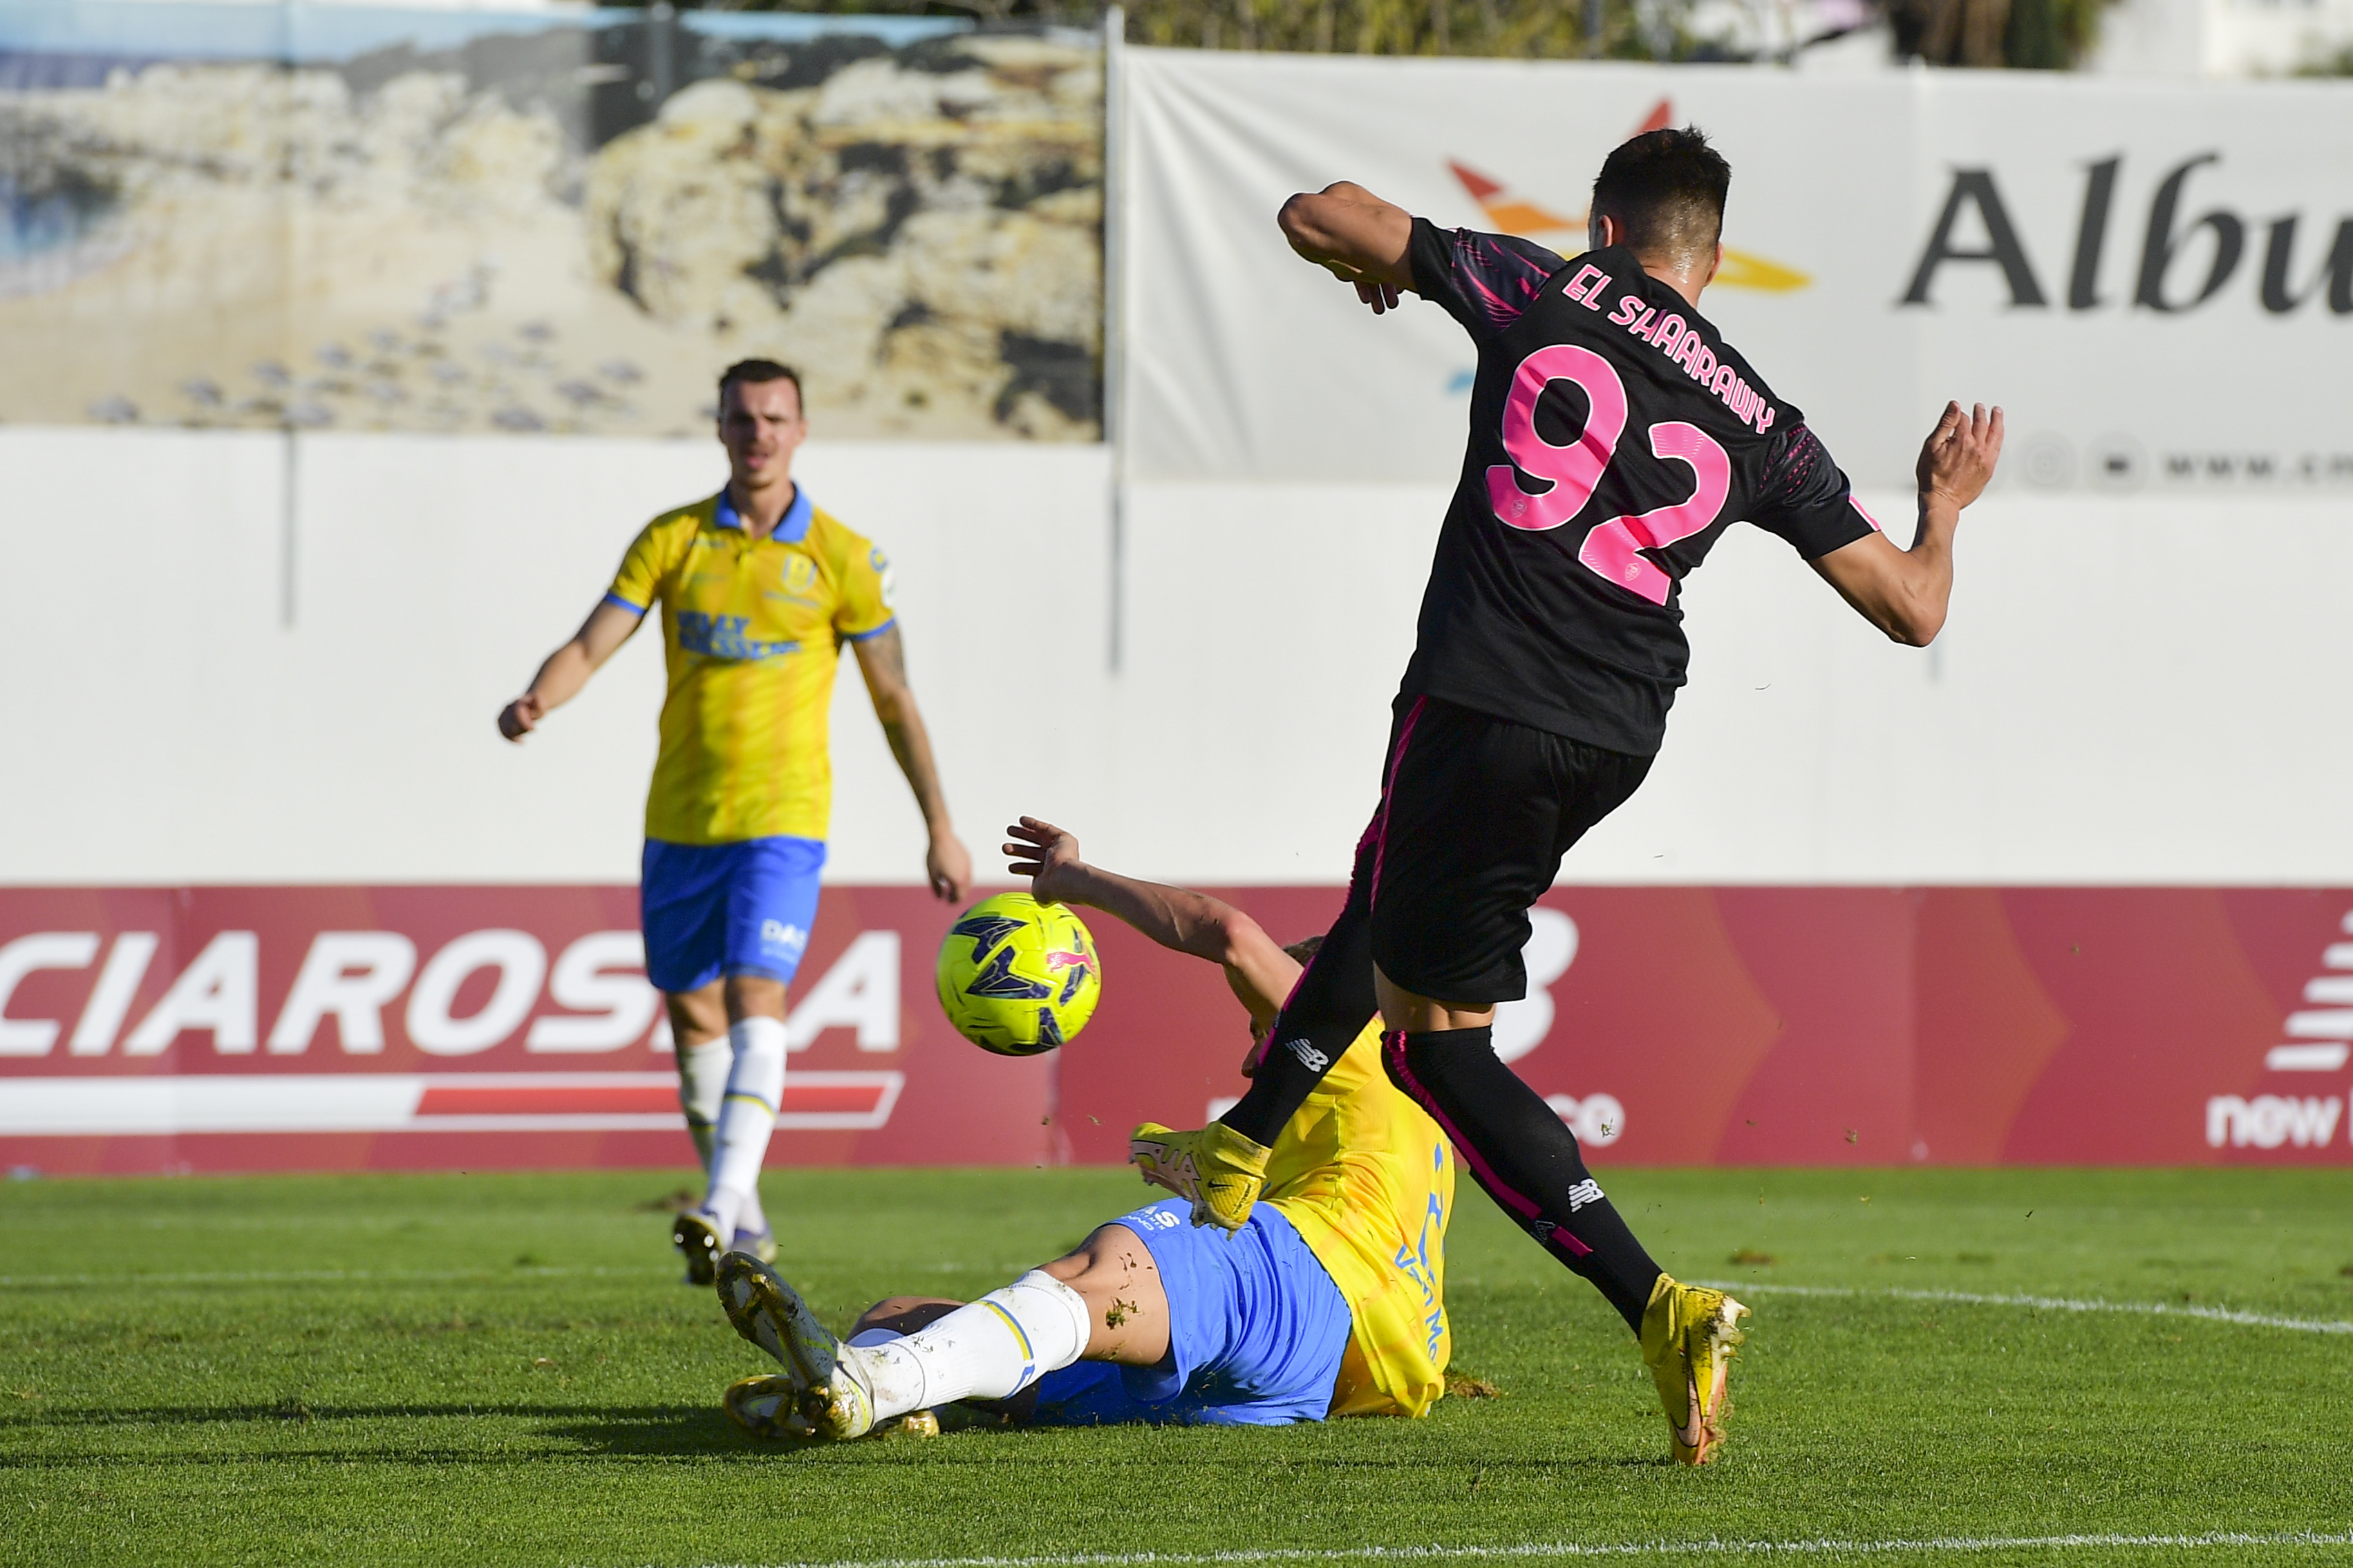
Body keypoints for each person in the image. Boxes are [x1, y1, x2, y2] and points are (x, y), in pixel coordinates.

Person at [1129, 129, 2005, 1465]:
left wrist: (1370, 268)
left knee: (1432, 1046)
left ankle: (1655, 1300)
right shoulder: (1763, 422)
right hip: (1613, 727)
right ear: (1707, 263)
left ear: (1603, 229)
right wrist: (1942, 505)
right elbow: (1910, 606)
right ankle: (1241, 1144)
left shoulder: (1534, 288)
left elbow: (1315, 211)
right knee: (1387, 886)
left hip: (1482, 689)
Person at [711, 815, 1454, 1439]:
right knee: (902, 1316)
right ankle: (878, 1386)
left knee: (1100, 1267)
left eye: (1262, 1026)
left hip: (1304, 1285)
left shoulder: (1350, 1038)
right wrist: (1192, 1162)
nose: (1250, 1053)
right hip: (1310, 1379)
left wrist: (1074, 880)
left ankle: (879, 1384)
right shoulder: (1404, 1121)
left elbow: (1227, 931)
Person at [497, 359, 973, 1283]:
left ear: (800, 430)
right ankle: (744, 1217)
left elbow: (894, 698)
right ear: (719, 430)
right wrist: (537, 700)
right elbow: (595, 640)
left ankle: (714, 1205)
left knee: (758, 987)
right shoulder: (673, 540)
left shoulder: (842, 557)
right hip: (679, 819)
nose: (757, 434)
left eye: (774, 418)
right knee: (690, 1009)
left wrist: (939, 825)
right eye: (741, 419)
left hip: (782, 818)